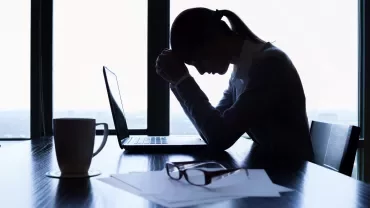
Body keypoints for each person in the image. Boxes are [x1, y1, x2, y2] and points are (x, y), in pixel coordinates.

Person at [155, 7, 314, 161]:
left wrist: (182, 81)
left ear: (212, 41)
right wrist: (178, 83)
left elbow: (219, 137)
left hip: (292, 175)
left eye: (196, 61)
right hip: (276, 169)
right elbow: (211, 131)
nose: (201, 71)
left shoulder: (270, 64)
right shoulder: (243, 68)